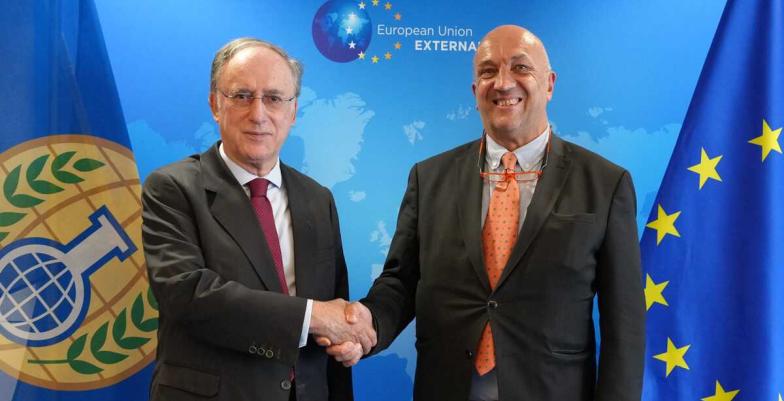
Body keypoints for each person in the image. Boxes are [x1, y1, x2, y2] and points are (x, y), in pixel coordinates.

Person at [329, 25, 645, 400]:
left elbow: (624, 326)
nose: (502, 83)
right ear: (475, 90)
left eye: (521, 68)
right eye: (488, 71)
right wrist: (369, 324)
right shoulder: (428, 178)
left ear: (550, 84)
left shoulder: (606, 184)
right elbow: (401, 281)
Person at [142, 37, 373, 401]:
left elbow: (333, 308)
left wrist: (345, 340)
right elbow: (188, 295)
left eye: (274, 98)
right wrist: (313, 317)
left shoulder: (318, 200)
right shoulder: (172, 188)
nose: (259, 114)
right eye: (242, 96)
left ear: (293, 111)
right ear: (215, 104)